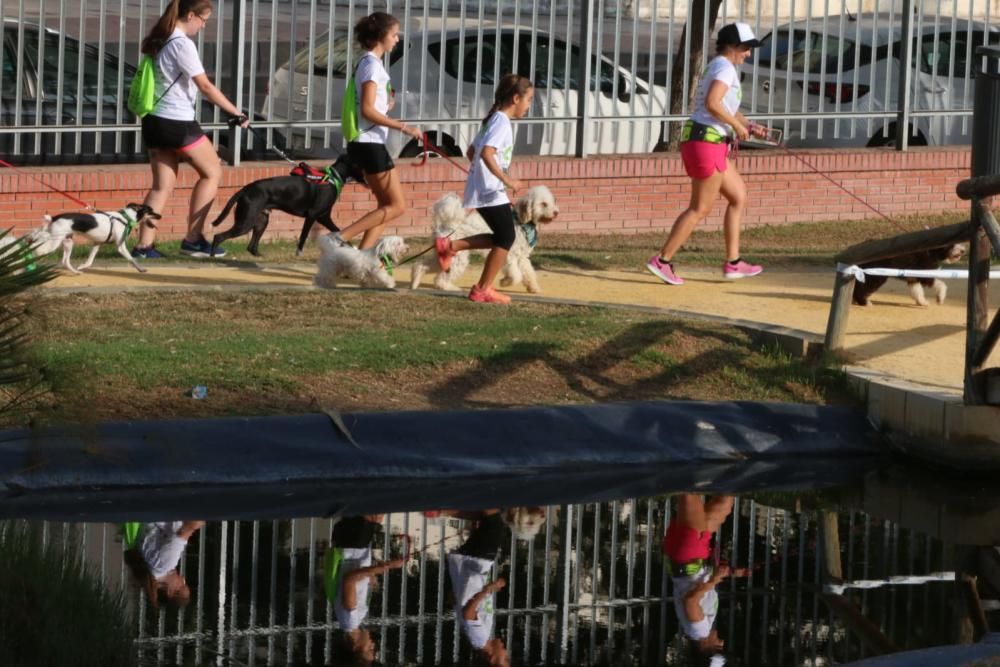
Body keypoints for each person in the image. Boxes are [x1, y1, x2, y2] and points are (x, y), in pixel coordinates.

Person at [647, 22, 768, 286]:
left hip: (707, 140)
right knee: (699, 208)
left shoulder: (719, 66)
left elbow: (723, 105)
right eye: (746, 48)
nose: (748, 54)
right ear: (734, 46)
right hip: (707, 142)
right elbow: (713, 104)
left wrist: (748, 125)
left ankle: (733, 263)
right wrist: (736, 126)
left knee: (738, 195)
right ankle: (662, 260)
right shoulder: (725, 68)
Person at [132, 0, 249, 260]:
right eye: (203, 19)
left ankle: (143, 247)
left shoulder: (160, 38)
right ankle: (194, 239)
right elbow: (205, 86)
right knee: (212, 172)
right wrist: (236, 112)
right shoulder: (183, 44)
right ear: (191, 15)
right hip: (177, 122)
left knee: (162, 186)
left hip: (153, 120)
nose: (204, 24)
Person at [435, 74, 534, 305]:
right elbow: (487, 153)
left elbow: (472, 152)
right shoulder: (501, 122)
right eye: (528, 100)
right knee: (507, 237)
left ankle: (451, 247)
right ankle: (482, 289)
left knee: (501, 237)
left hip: (487, 189)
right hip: (490, 191)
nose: (529, 106)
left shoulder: (494, 119)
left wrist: (482, 174)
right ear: (516, 98)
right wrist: (506, 180)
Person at [332, 13, 422, 251]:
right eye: (394, 34)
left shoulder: (369, 63)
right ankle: (339, 237)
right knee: (397, 206)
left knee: (386, 205)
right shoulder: (372, 66)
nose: (397, 39)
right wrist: (404, 127)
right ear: (381, 36)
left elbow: (371, 105)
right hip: (369, 143)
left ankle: (360, 258)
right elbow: (368, 111)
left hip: (366, 142)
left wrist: (386, 105)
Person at [663, 495, 745, 666]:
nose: (721, 642)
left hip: (689, 554)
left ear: (704, 648)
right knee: (725, 504)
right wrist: (728, 572)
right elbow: (697, 587)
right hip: (688, 558)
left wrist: (714, 580)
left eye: (718, 648)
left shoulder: (699, 630)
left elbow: (690, 600)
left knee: (689, 492)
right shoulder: (697, 630)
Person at [326, 515, 405, 667]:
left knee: (372, 510)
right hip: (353, 547)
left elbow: (349, 579)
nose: (373, 646)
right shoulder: (352, 621)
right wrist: (370, 577)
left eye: (369, 650)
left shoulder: (349, 620)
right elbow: (355, 584)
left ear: (355, 648)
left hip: (353, 548)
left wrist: (386, 567)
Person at [446, 510, 510, 667]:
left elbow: (468, 614)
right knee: (487, 521)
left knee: (496, 523)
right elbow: (453, 600)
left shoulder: (480, 639)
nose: (506, 652)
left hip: (475, 564)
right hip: (468, 565)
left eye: (505, 659)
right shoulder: (477, 639)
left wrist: (489, 588)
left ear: (493, 659)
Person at [123, 520, 204, 609]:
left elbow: (186, 530)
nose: (182, 578)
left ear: (170, 591)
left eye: (182, 585)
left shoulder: (165, 564)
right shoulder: (151, 569)